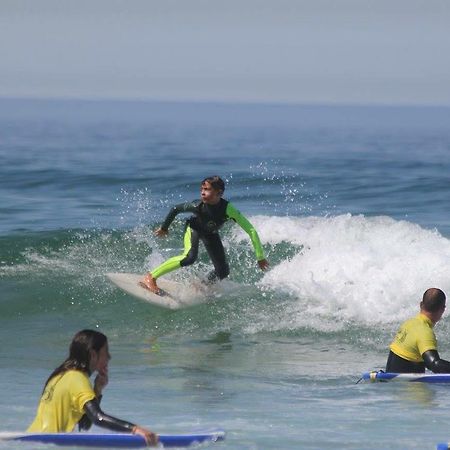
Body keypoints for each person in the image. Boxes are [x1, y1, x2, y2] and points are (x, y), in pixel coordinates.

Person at [141, 175, 269, 295]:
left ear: (219, 193)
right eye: (202, 189)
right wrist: (164, 228)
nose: (202, 192)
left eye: (207, 189)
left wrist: (260, 257)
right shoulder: (198, 205)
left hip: (210, 233)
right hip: (194, 229)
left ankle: (202, 286)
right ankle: (151, 277)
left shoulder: (228, 209)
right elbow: (176, 209)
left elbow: (251, 230)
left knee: (223, 271)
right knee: (189, 258)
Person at [28, 329, 158, 446]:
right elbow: (97, 418)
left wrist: (97, 390)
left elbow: (84, 424)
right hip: (46, 445)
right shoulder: (77, 379)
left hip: (34, 442)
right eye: (105, 352)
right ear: (93, 354)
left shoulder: (61, 375)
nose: (109, 357)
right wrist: (135, 429)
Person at [386, 288, 450, 373]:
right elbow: (434, 364)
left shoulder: (408, 323)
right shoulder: (424, 332)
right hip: (408, 385)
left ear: (421, 304)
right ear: (442, 309)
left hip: (392, 381)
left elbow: (426, 360)